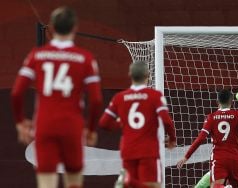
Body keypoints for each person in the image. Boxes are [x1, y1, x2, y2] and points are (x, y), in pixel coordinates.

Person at [11, 7, 102, 188]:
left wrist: (20, 122)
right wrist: (91, 129)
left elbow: (16, 93)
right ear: (75, 27)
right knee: (74, 180)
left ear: (51, 27)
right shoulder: (85, 58)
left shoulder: (36, 55)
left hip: (45, 126)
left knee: (46, 183)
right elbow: (96, 100)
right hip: (72, 127)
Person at [99, 61, 176, 188]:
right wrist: (172, 138)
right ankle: (129, 181)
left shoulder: (119, 97)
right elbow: (166, 120)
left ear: (130, 74)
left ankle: (129, 181)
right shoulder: (155, 96)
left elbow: (104, 123)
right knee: (154, 186)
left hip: (128, 149)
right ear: (148, 75)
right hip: (148, 150)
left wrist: (121, 123)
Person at [176, 89, 238, 188]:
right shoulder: (237, 114)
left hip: (219, 158)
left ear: (217, 102)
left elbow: (200, 139)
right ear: (231, 102)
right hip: (235, 158)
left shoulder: (211, 118)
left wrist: (186, 156)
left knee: (215, 186)